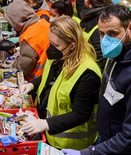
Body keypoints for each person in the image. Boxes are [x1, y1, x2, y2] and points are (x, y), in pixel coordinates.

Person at [62, 5, 131, 155]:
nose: (106, 40)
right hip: (108, 141)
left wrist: (89, 153)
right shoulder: (117, 55)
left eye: (112, 33)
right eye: (102, 33)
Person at [21, 15, 101, 150]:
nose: (51, 48)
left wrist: (47, 123)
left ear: (72, 46)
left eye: (56, 45)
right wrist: (33, 84)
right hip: (51, 136)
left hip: (71, 146)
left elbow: (81, 114)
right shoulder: (60, 55)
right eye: (50, 42)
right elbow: (51, 79)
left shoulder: (88, 73)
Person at [5, 0, 50, 82]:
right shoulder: (42, 23)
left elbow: (25, 66)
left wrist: (14, 65)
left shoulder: (29, 35)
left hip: (36, 81)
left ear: (19, 21)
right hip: (47, 76)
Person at [80, 0, 110, 71]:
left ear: (87, 1)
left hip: (85, 73)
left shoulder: (99, 25)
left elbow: (99, 62)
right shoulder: (89, 17)